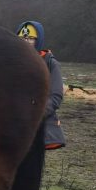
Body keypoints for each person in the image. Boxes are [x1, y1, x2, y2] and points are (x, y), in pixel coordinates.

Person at [17, 21, 66, 149]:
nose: (26, 41)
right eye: (23, 38)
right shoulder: (11, 63)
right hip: (13, 126)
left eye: (31, 38)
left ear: (38, 40)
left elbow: (56, 96)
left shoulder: (51, 64)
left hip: (37, 127)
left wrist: (35, 114)